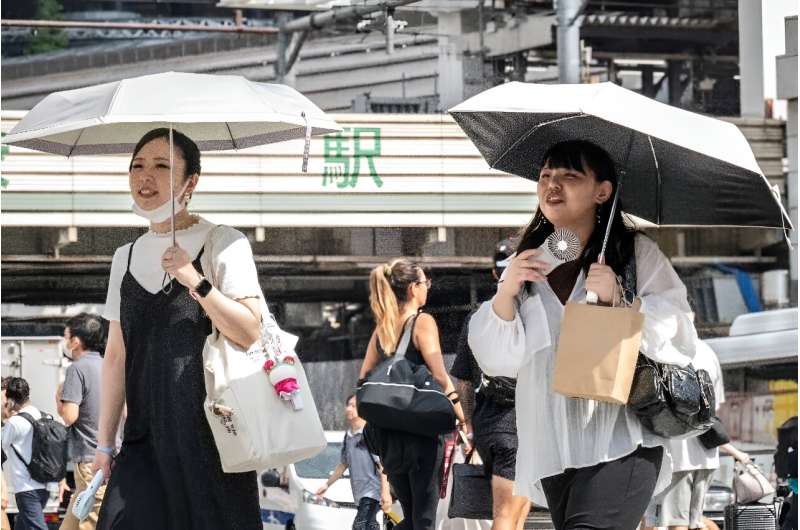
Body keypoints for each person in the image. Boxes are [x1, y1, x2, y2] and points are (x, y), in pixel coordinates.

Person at [468, 140, 700, 530]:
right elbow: (499, 361)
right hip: (554, 446)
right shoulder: (531, 261)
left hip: (621, 440)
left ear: (602, 191)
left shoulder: (633, 253)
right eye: (545, 176)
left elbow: (680, 328)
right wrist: (506, 292)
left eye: (569, 176)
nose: (552, 186)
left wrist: (620, 299)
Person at [93, 128, 264, 530]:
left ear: (192, 182)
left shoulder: (224, 242)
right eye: (137, 166)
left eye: (162, 165)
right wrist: (104, 444)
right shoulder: (126, 256)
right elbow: (117, 356)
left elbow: (249, 330)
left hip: (213, 439)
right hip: (143, 441)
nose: (144, 177)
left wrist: (195, 279)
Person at [359, 259, 468, 530]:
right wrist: (460, 414)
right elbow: (440, 374)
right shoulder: (422, 321)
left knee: (411, 514)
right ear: (412, 288)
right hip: (421, 430)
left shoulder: (382, 327)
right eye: (424, 283)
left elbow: (363, 377)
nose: (427, 288)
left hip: (388, 436)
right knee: (424, 519)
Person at [451, 240, 531, 530]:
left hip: (490, 425)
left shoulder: (478, 317)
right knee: (506, 514)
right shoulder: (532, 314)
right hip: (518, 426)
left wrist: (470, 422)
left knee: (516, 514)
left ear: (494, 273)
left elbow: (462, 379)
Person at [642, 341, 750, 530]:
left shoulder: (659, 346)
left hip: (677, 459)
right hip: (706, 458)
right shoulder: (708, 352)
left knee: (673, 523)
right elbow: (714, 408)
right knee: (695, 522)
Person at [56, 313, 106, 530]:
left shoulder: (77, 369)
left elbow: (69, 416)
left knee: (91, 520)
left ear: (76, 341)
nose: (65, 342)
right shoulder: (107, 365)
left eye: (66, 337)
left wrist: (59, 395)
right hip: (108, 452)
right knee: (74, 519)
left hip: (89, 458)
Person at [315, 394, 392, 530]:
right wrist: (327, 485)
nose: (349, 409)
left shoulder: (369, 433)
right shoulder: (348, 436)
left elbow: (382, 465)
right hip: (360, 494)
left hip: (373, 492)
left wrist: (385, 493)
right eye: (348, 405)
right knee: (370, 525)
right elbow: (343, 464)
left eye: (353, 406)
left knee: (359, 526)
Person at [1, 377, 49, 530]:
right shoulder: (44, 416)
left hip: (26, 489)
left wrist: (6, 415)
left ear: (11, 400)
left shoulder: (15, 423)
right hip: (44, 486)